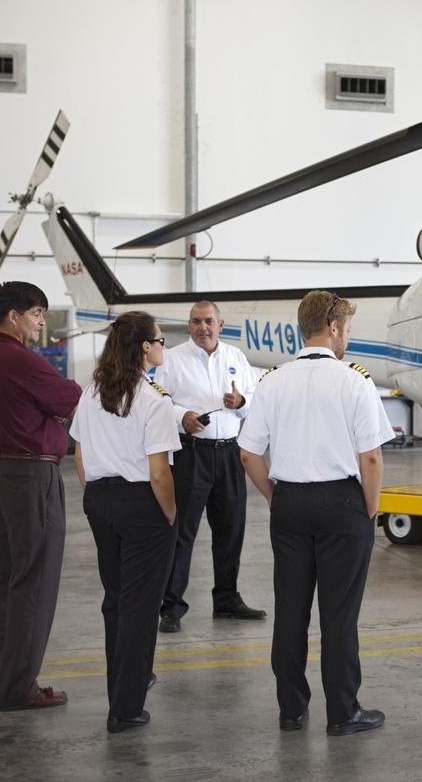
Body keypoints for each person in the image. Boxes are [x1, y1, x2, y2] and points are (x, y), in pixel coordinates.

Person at [239, 291, 391, 736]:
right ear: (334, 327)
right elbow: (372, 458)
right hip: (342, 505)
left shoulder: (272, 381)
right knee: (339, 615)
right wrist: (368, 510)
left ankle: (292, 709)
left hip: (289, 504)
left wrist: (274, 496)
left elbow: (248, 453)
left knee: (290, 610)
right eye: (347, 330)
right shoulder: (354, 381)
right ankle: (343, 713)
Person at [0, 281, 83, 711]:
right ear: (13, 315)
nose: (40, 323)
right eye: (36, 314)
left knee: (0, 579)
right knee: (34, 580)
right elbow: (73, 401)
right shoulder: (20, 360)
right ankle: (20, 687)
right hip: (28, 474)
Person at [71, 312, 181, 733]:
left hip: (99, 500)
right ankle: (127, 707)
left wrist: (97, 497)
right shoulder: (153, 401)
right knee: (140, 607)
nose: (162, 346)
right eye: (160, 339)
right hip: (142, 504)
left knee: (116, 600)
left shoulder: (92, 391)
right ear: (144, 348)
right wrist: (169, 514)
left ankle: (121, 686)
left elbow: (80, 457)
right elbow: (159, 472)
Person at [154, 300, 263, 632]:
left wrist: (241, 402)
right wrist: (181, 416)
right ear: (189, 326)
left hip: (229, 453)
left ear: (221, 325)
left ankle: (227, 599)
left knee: (231, 529)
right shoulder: (171, 361)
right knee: (181, 531)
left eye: (209, 321)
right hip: (191, 454)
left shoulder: (236, 359)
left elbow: (256, 400)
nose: (203, 327)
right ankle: (171, 606)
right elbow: (158, 401)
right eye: (196, 321)